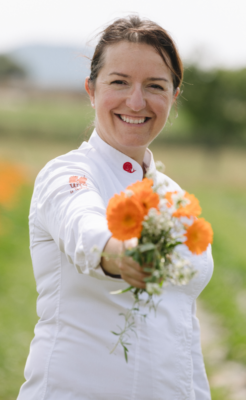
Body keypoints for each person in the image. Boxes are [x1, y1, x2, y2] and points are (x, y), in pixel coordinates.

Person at [17, 15, 213, 400]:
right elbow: (81, 224)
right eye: (119, 82)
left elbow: (182, 333)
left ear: (173, 97)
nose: (136, 101)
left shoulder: (174, 198)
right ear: (91, 89)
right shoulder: (68, 174)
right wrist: (115, 253)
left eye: (155, 86)